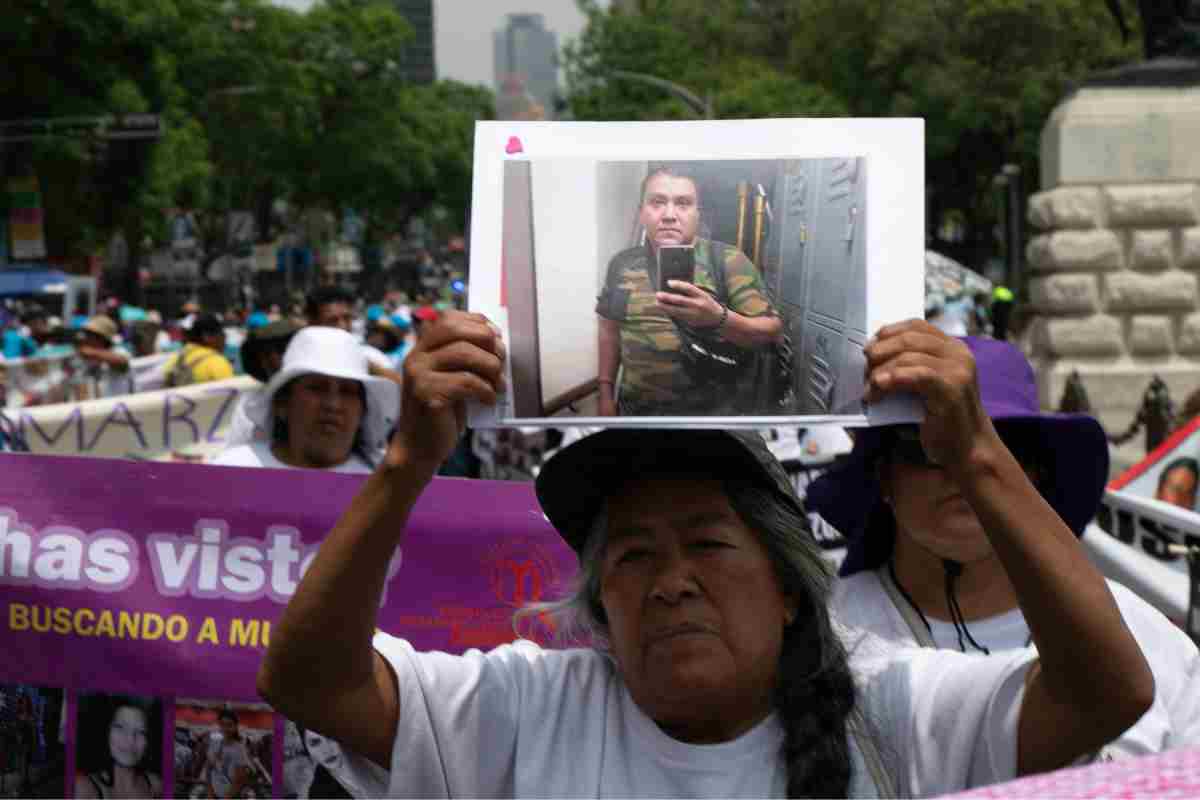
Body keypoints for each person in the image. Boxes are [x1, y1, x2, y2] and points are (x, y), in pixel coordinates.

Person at [258, 313, 1153, 798]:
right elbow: (308, 680)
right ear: (602, 601)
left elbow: (1110, 690)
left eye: (709, 544)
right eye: (635, 555)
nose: (671, 580)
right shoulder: (526, 709)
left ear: (792, 591)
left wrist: (977, 455)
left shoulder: (894, 704)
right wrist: (409, 460)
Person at [806, 336, 1200, 758]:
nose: (960, 470)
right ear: (883, 477)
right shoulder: (816, 640)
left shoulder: (1150, 640)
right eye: (925, 446)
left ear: (1036, 474)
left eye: (1001, 445)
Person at [595, 166, 783, 417]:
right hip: (637, 416)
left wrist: (718, 318)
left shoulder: (728, 261)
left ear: (697, 214)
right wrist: (605, 392)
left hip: (713, 418)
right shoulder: (622, 264)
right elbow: (609, 330)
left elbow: (771, 331)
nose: (669, 214)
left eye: (683, 203)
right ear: (642, 213)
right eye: (657, 202)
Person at [211, 327, 397, 472]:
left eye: (347, 391)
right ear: (282, 404)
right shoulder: (230, 473)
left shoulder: (383, 491)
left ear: (363, 410)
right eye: (317, 388)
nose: (333, 405)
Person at [225, 319, 304, 448]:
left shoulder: (325, 398)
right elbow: (234, 452)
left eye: (282, 350)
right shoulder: (248, 406)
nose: (273, 360)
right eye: (266, 354)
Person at [75, 696, 163, 799]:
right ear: (106, 732)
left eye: (141, 732)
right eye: (120, 727)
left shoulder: (155, 784)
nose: (130, 740)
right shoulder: (85, 789)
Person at [164, 313, 234, 387]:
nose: (224, 340)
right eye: (222, 335)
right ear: (207, 337)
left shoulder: (174, 360)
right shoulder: (217, 362)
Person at [73, 315, 133, 400]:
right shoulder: (88, 359)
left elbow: (122, 362)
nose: (85, 337)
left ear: (101, 337)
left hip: (119, 408)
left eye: (89, 334)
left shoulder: (119, 351)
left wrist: (92, 352)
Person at [203, 709, 253, 800]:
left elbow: (239, 781)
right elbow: (208, 770)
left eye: (229, 725)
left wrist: (226, 798)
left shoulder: (239, 749)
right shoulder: (214, 744)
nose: (225, 729)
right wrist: (210, 793)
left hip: (232, 796)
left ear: (235, 726)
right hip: (214, 795)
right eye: (222, 724)